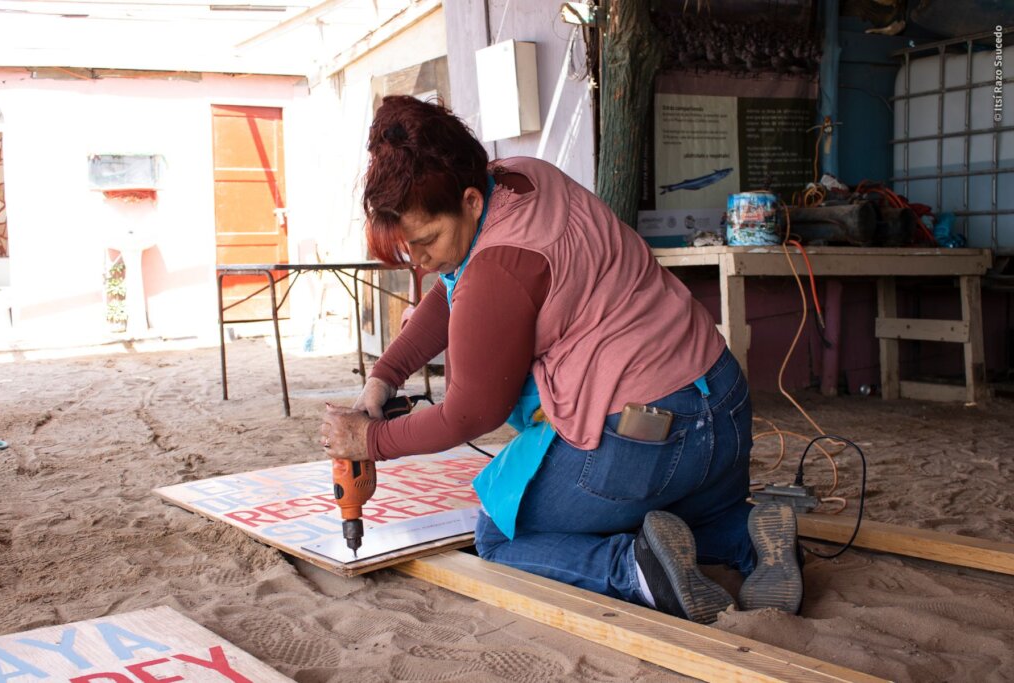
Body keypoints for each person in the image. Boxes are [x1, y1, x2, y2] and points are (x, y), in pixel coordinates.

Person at [320, 95, 802, 624]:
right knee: (673, 512)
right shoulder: (520, 176)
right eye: (410, 248)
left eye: (427, 240)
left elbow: (470, 414)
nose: (421, 259)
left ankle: (636, 572)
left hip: (648, 439)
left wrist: (371, 440)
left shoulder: (499, 269)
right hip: (725, 407)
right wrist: (384, 377)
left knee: (501, 533)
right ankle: (749, 538)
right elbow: (450, 289)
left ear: (471, 202)